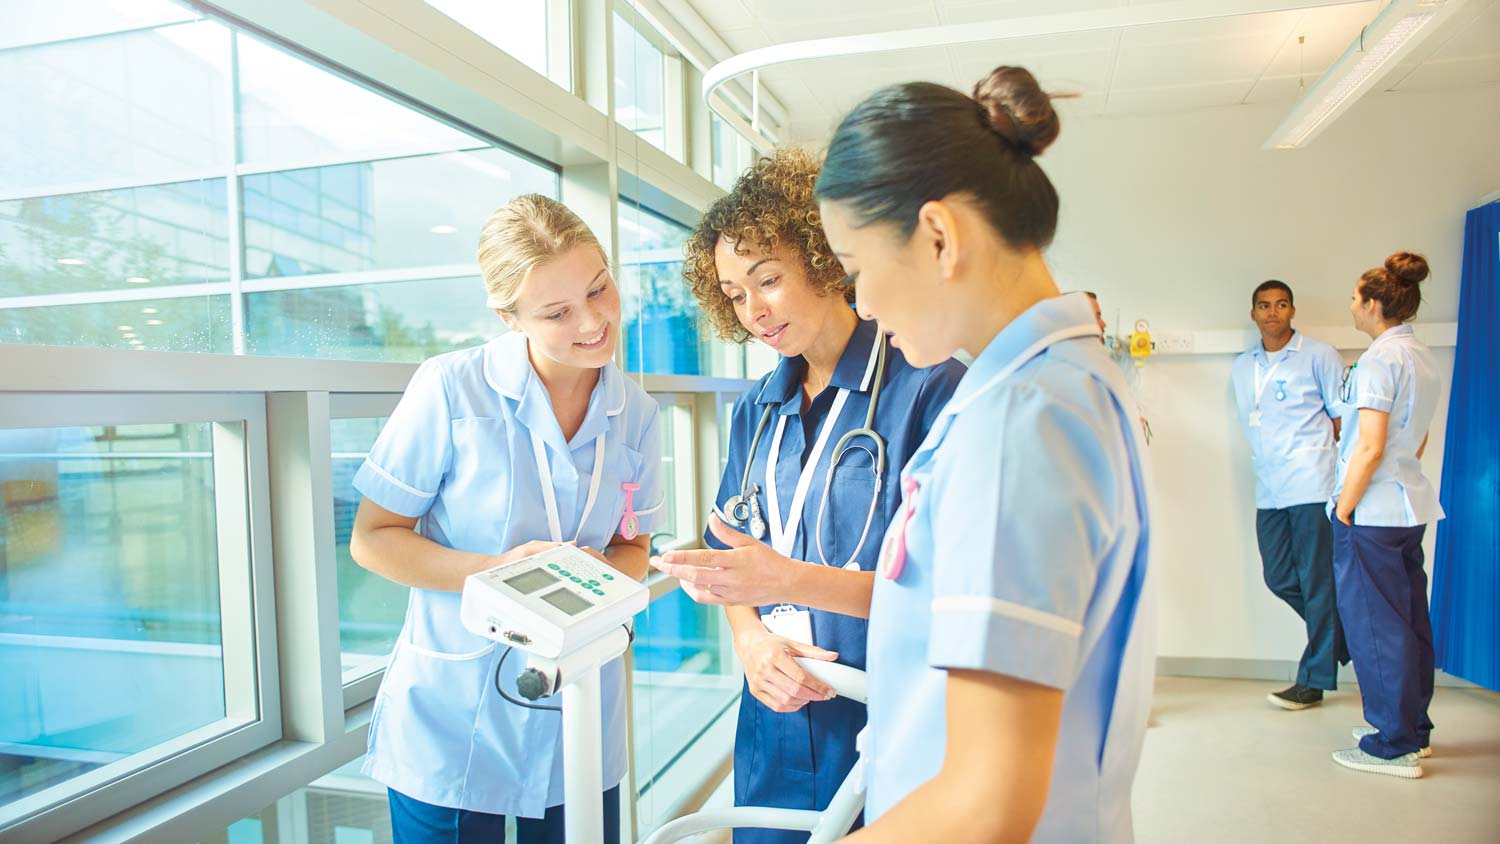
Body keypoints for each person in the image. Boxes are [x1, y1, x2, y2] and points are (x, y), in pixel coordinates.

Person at [814, 66, 1154, 843]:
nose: (859, 303)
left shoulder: (1020, 422)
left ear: (938, 236)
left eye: (857, 267)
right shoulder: (1065, 383)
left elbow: (986, 802)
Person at [650, 147, 964, 843]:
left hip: (884, 712)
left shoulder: (928, 387)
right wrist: (751, 639)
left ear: (823, 259)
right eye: (734, 294)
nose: (754, 311)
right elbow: (733, 563)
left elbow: (952, 593)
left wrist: (791, 581)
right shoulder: (757, 407)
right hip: (775, 712)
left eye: (767, 280)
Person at [348, 194, 665, 842]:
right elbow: (373, 540)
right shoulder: (450, 389)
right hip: (454, 715)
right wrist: (496, 573)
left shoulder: (636, 415)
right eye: (557, 312)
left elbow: (635, 545)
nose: (593, 322)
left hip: (578, 706)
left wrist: (597, 579)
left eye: (599, 289)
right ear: (508, 315)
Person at [1328, 251, 1444, 780]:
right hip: (1407, 505)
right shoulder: (1420, 355)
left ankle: (1391, 743)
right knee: (1409, 622)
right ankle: (1411, 728)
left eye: (1355, 297)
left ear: (1374, 305)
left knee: (1377, 627)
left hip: (1371, 511)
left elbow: (1369, 448)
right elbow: (1413, 442)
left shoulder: (1378, 359)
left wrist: (1344, 507)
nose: (1351, 305)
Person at [1230, 280, 1349, 710]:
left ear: (1292, 311)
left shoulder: (1318, 355)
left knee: (1318, 581)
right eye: (1264, 305)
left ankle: (1313, 680)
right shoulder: (1244, 366)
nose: (1272, 312)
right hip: (1270, 488)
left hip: (1312, 484)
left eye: (1281, 305)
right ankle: (1343, 637)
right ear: (1253, 313)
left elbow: (1342, 422)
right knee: (1279, 577)